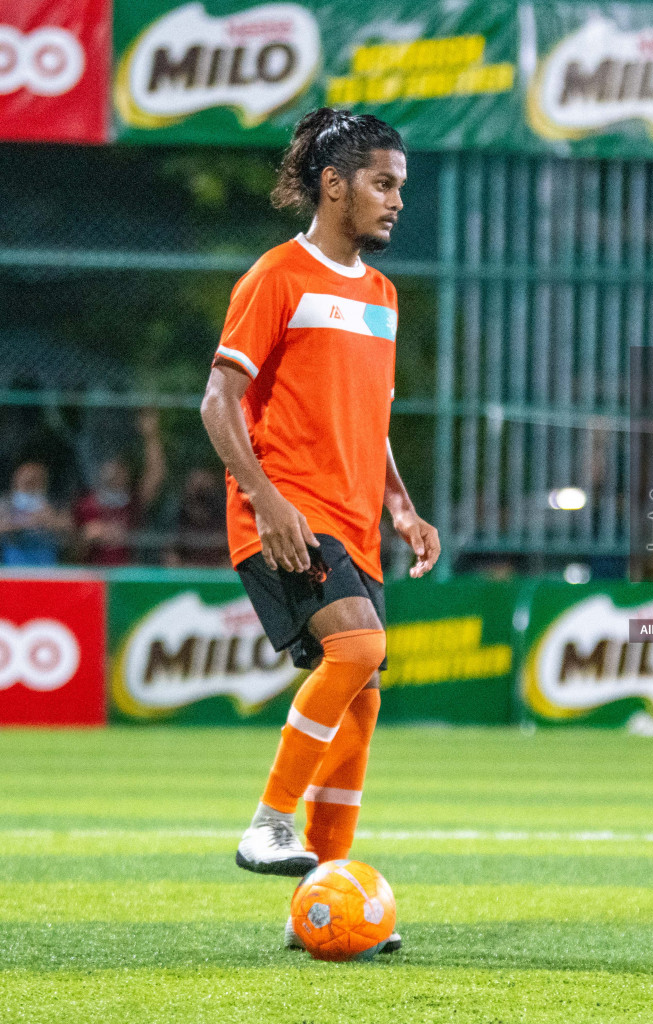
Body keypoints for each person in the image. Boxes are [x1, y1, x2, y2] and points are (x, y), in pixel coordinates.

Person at [199, 108, 439, 955]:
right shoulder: (278, 276)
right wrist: (265, 501)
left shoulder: (381, 295)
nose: (396, 200)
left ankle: (326, 900)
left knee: (363, 706)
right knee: (359, 654)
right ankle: (267, 822)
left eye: (401, 186)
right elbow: (218, 400)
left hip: (353, 520)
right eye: (382, 183)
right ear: (333, 185)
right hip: (287, 515)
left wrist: (401, 504)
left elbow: (366, 418)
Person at [73, 409, 167, 566]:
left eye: (121, 467)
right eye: (111, 466)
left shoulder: (133, 501)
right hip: (93, 576)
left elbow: (156, 474)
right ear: (101, 469)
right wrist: (87, 537)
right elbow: (70, 554)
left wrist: (151, 436)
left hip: (128, 576)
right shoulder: (86, 504)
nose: (115, 472)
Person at [0, 461, 72, 566]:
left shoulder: (55, 503)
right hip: (14, 558)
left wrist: (50, 520)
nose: (30, 482)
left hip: (47, 558)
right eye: (26, 480)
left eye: (35, 480)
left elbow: (68, 528)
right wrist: (22, 523)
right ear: (16, 480)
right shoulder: (5, 503)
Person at [163, 467, 231, 567]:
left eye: (205, 490)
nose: (200, 496)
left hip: (217, 577)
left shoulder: (222, 519)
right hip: (187, 578)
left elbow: (231, 560)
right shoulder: (178, 518)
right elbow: (170, 557)